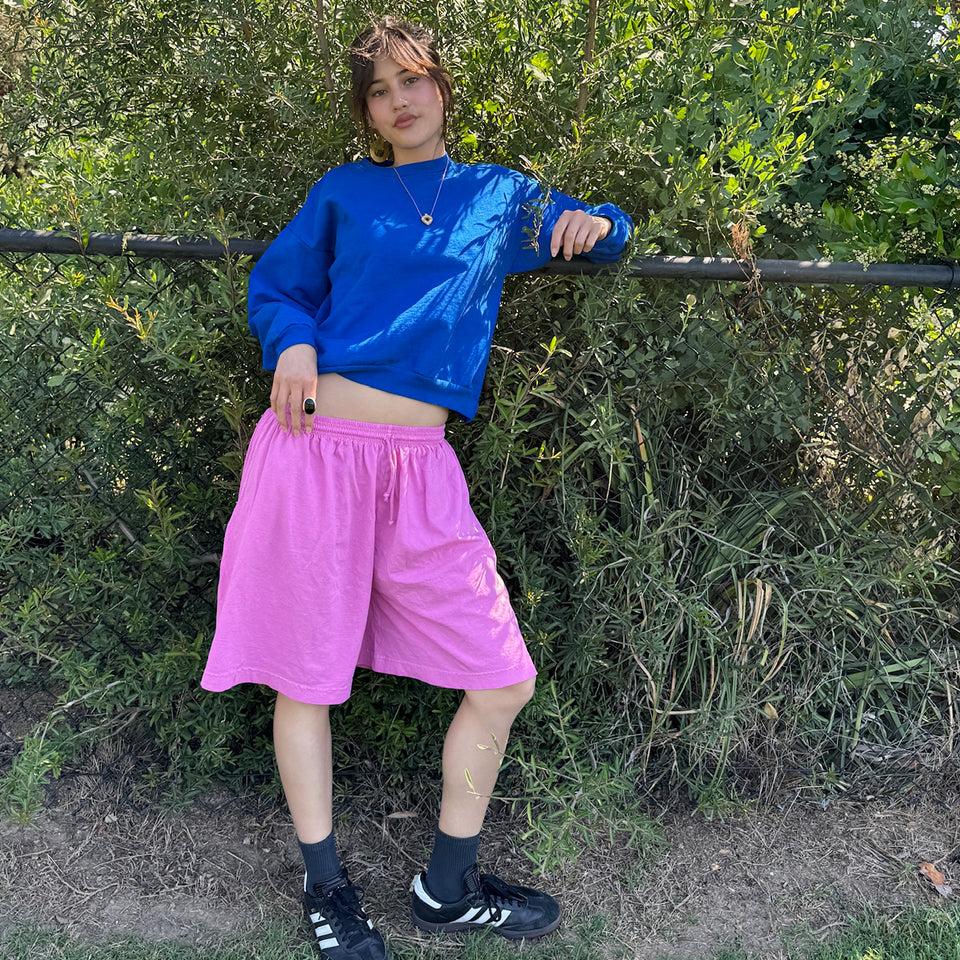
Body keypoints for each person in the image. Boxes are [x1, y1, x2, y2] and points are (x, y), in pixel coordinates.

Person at [200, 16, 632, 960]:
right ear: (366, 112)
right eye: (380, 90)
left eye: (414, 81)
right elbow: (278, 287)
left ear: (442, 89)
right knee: (305, 676)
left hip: (421, 472)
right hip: (315, 454)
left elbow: (605, 233)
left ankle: (445, 887)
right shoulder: (345, 193)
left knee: (503, 676)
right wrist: (296, 340)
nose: (400, 100)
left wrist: (598, 224)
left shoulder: (495, 196)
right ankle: (327, 890)